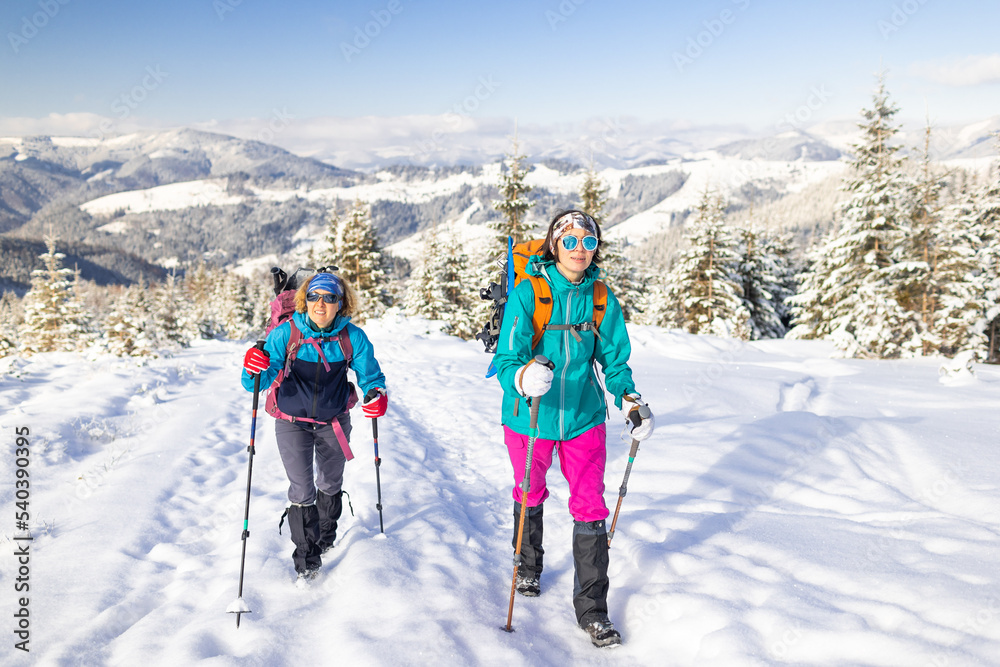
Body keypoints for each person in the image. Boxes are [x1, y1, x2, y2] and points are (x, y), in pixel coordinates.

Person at [493, 209, 655, 648]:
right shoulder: (530, 293)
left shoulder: (601, 298)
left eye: (588, 241)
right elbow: (506, 359)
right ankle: (527, 567)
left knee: (590, 506)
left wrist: (628, 398)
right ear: (554, 244)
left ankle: (593, 611)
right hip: (531, 416)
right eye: (571, 241)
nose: (580, 249)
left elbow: (615, 360)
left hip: (584, 416)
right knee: (529, 490)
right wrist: (523, 376)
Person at [241, 271, 388, 584]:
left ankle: (325, 536)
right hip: (290, 422)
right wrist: (253, 368)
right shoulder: (287, 334)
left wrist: (376, 394)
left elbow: (371, 376)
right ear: (304, 301)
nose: (321, 303)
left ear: (340, 304)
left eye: (329, 297)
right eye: (314, 297)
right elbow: (260, 382)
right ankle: (307, 560)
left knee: (331, 482)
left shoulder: (352, 338)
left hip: (333, 422)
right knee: (302, 490)